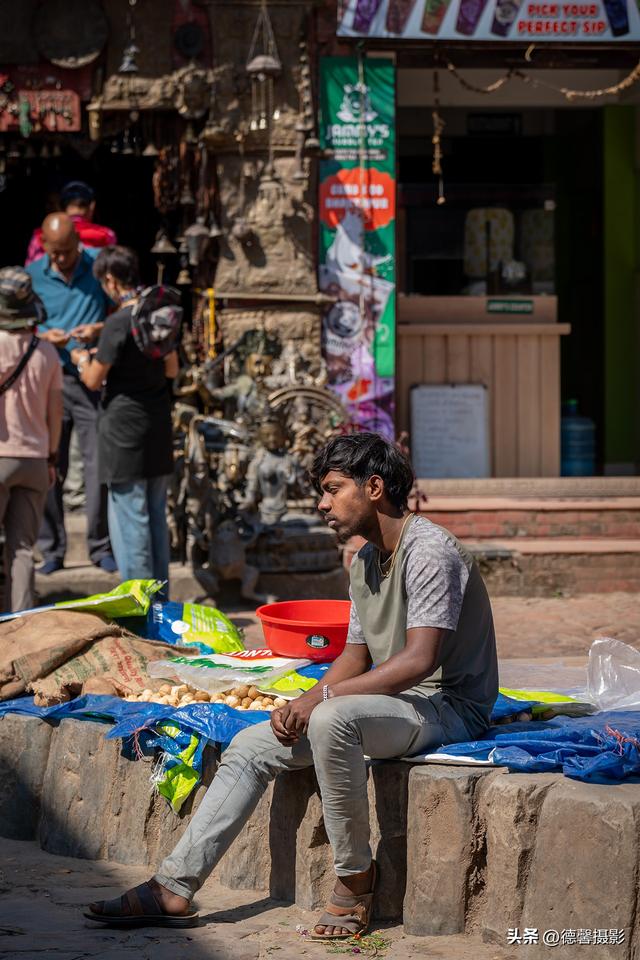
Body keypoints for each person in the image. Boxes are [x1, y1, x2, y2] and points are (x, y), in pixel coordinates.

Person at [85, 432, 498, 937]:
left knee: (333, 718)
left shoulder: (429, 550)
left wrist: (321, 698)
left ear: (373, 487)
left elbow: (419, 660)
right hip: (394, 703)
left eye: (332, 489)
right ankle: (174, 886)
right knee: (251, 743)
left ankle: (355, 879)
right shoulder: (365, 561)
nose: (323, 504)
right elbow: (354, 654)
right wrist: (298, 701)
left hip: (447, 706)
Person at [71, 246, 178, 588]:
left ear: (111, 280)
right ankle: (161, 601)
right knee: (156, 515)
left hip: (122, 430)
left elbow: (92, 380)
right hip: (157, 424)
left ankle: (138, 603)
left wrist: (81, 359)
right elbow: (172, 369)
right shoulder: (159, 315)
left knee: (130, 518)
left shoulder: (117, 324)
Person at [27, 213, 116, 574]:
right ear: (45, 247)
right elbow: (20, 320)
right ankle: (52, 549)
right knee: (51, 463)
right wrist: (43, 335)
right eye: (55, 253)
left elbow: (124, 311)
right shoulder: (33, 273)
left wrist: (98, 329)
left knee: (98, 465)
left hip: (90, 377)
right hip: (48, 376)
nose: (61, 259)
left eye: (67, 252)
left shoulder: (98, 267)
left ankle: (100, 546)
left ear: (78, 244)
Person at [0, 267, 62, 611]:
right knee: (23, 548)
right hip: (36, 459)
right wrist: (52, 458)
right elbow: (56, 414)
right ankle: (19, 623)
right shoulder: (48, 353)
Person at [25, 181, 117, 266]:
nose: (62, 259)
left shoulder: (40, 236)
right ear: (92, 207)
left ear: (60, 208)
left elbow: (30, 270)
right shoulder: (106, 235)